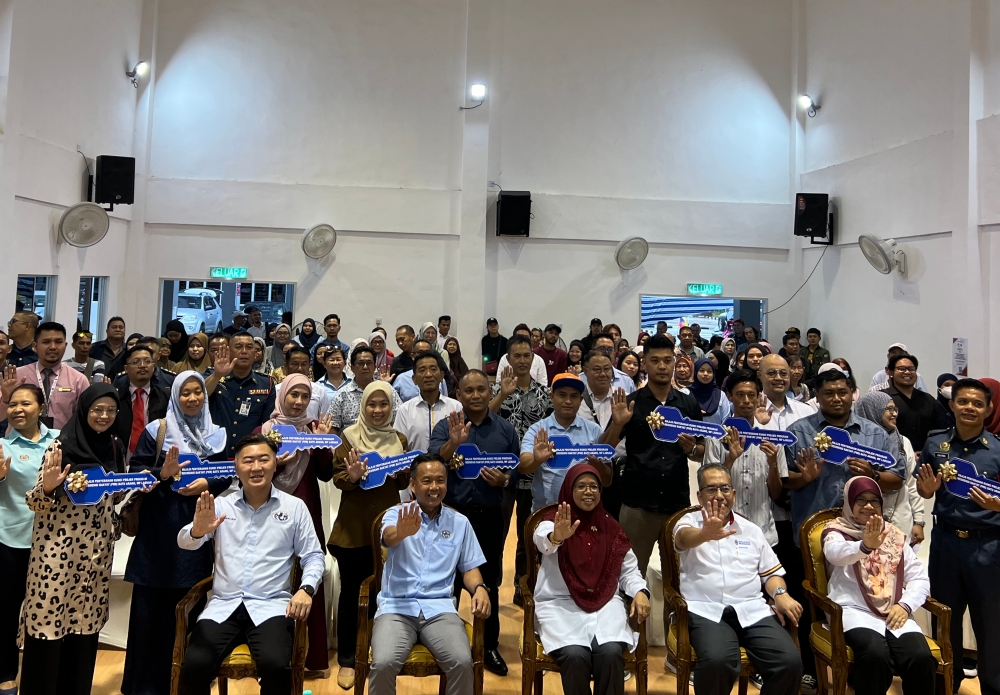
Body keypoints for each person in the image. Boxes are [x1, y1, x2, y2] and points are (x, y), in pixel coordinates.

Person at [175, 433, 324, 695]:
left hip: (272, 606)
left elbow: (313, 556)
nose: (256, 467)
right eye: (248, 461)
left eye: (264, 459)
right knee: (194, 666)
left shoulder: (295, 507)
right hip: (224, 605)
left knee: (276, 666)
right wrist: (198, 531)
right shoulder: (220, 505)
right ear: (237, 467)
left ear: (275, 463)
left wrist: (306, 589)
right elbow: (185, 541)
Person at [121, 371, 230, 695]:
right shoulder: (158, 430)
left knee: (188, 606)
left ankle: (185, 684)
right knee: (148, 613)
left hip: (197, 526)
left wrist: (207, 483)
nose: (193, 398)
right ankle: (144, 687)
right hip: (157, 531)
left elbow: (226, 472)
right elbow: (135, 473)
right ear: (175, 396)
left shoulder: (215, 433)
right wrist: (162, 473)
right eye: (186, 393)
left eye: (198, 392)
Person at [18, 384, 129, 695]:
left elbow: (112, 494)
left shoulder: (115, 446)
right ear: (84, 410)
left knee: (84, 631)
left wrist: (133, 486)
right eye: (97, 409)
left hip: (94, 557)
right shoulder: (60, 446)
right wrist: (49, 488)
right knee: (47, 631)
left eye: (110, 410)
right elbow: (35, 503)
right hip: (56, 556)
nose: (104, 415)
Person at [673, 464, 803, 695]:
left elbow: (771, 573)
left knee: (789, 662)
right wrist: (704, 534)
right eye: (711, 489)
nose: (719, 495)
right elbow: (682, 540)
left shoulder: (751, 530)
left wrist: (780, 594)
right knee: (718, 661)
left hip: (751, 609)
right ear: (699, 495)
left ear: (734, 493)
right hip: (706, 609)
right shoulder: (688, 522)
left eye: (725, 488)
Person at [368, 453, 491, 695]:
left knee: (462, 662)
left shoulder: (460, 522)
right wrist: (402, 532)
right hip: (396, 608)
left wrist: (479, 589)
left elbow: (470, 568)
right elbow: (388, 537)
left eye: (440, 480)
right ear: (413, 485)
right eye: (426, 481)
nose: (434, 487)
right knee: (383, 664)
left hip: (440, 609)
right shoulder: (396, 514)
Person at [430, 370, 521, 676]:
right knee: (449, 581)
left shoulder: (506, 430)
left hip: (489, 515)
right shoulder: (448, 426)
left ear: (489, 390)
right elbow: (434, 462)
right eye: (469, 391)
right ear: (460, 394)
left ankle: (488, 645)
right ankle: (447, 643)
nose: (476, 395)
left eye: (482, 389)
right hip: (452, 516)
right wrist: (453, 445)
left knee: (490, 580)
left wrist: (506, 479)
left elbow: (516, 467)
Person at [532, 465, 650, 695]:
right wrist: (557, 537)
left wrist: (640, 592)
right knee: (575, 656)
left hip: (605, 605)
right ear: (569, 489)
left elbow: (629, 572)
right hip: (560, 605)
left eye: (594, 486)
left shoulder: (611, 527)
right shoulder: (553, 521)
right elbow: (542, 540)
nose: (589, 491)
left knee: (610, 653)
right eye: (581, 486)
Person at [916, 378, 1000, 695]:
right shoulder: (936, 444)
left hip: (988, 546)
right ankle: (945, 687)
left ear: (989, 408)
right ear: (951, 405)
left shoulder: (998, 451)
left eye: (977, 403)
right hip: (946, 544)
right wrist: (926, 491)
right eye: (963, 401)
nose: (969, 407)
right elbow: (923, 486)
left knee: (990, 626)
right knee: (946, 621)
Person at [328, 381, 411, 689]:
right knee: (351, 595)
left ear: (391, 407)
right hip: (354, 529)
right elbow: (338, 480)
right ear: (363, 407)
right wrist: (350, 477)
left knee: (383, 592)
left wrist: (403, 473)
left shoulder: (399, 439)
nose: (378, 411)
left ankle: (378, 649)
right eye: (372, 405)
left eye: (384, 405)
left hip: (388, 527)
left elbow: (401, 485)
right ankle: (348, 658)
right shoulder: (348, 439)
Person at [600, 333, 704, 574]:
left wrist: (693, 449)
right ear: (644, 363)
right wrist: (617, 424)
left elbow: (702, 450)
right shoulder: (631, 402)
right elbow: (603, 450)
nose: (662, 366)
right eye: (655, 360)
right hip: (637, 504)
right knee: (628, 576)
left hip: (676, 504)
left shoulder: (688, 405)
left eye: (667, 360)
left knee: (677, 578)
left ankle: (673, 614)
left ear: (674, 363)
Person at [822, 477, 936, 695]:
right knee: (875, 655)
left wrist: (905, 605)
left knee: (920, 656)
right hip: (853, 611)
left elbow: (920, 579)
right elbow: (836, 555)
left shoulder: (893, 535)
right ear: (849, 502)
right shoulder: (836, 532)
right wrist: (865, 546)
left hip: (895, 611)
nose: (868, 506)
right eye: (861, 500)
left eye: (874, 501)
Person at [260, 374, 335, 673]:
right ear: (283, 396)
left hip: (306, 510)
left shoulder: (313, 430)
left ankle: (313, 657)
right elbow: (248, 475)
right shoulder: (264, 431)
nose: (299, 401)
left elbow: (325, 474)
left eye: (305, 397)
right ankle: (272, 652)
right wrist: (272, 465)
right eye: (294, 395)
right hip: (269, 512)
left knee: (309, 575)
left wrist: (321, 446)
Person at [0, 384, 56, 694]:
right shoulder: (1, 445)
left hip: (50, 544)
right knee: (6, 612)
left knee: (43, 613)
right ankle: (6, 673)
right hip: (8, 539)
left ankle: (39, 677)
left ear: (41, 406)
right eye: (12, 404)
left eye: (25, 403)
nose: (17, 409)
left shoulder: (60, 441)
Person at [492, 335, 553, 600]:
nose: (522, 360)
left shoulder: (544, 394)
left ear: (533, 358)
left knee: (527, 530)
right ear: (508, 359)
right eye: (516, 356)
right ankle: (490, 584)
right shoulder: (499, 391)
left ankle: (523, 583)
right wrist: (502, 395)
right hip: (503, 474)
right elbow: (485, 418)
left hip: (533, 472)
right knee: (499, 529)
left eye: (526, 355)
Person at [701, 370, 786, 546]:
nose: (746, 401)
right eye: (740, 395)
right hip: (725, 532)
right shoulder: (716, 437)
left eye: (751, 395)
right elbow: (708, 489)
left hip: (763, 533)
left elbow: (776, 493)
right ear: (730, 397)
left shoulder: (773, 438)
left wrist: (773, 464)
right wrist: (730, 459)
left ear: (758, 397)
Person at [520, 372, 609, 513]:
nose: (568, 401)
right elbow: (523, 467)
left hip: (586, 514)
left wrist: (597, 464)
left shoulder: (594, 430)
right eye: (562, 395)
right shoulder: (537, 430)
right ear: (551, 397)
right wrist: (537, 460)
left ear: (580, 400)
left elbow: (607, 480)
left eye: (574, 396)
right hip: (546, 512)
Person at [854, 392, 925, 544]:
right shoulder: (858, 443)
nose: (894, 414)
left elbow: (912, 483)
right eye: (888, 409)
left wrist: (919, 521)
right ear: (873, 410)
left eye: (895, 409)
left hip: (900, 520)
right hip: (865, 523)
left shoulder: (903, 442)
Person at [0, 321, 90, 429]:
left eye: (58, 342)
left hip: (60, 443)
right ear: (35, 346)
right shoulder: (17, 376)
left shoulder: (78, 380)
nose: (52, 347)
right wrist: (5, 399)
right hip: (20, 443)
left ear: (65, 345)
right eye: (46, 342)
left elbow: (84, 419)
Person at [205, 333, 277, 458]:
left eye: (249, 347)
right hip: (214, 456)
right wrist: (217, 375)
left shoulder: (266, 383)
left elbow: (268, 425)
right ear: (228, 351)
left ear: (255, 353)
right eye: (238, 347)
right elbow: (200, 397)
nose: (244, 351)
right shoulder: (212, 376)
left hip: (250, 457)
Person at [395, 350, 462, 453]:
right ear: (414, 379)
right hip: (415, 467)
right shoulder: (404, 410)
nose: (428, 375)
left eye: (433, 369)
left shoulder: (456, 406)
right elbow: (400, 445)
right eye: (422, 370)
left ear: (441, 376)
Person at [112, 345, 171, 459]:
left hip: (156, 460)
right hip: (120, 459)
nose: (143, 365)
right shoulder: (116, 397)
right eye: (136, 362)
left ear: (154, 366)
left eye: (147, 361)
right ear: (126, 368)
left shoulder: (165, 396)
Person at [330, 346, 403, 432]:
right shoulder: (342, 394)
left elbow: (398, 419)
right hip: (351, 443)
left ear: (375, 367)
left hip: (383, 441)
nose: (365, 367)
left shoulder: (387, 389)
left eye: (369, 363)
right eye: (360, 363)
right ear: (352, 367)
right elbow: (333, 426)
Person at [882, 353, 942, 452]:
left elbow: (938, 431)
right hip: (892, 457)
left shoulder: (928, 400)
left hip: (924, 459)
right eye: (901, 368)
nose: (907, 372)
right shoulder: (882, 398)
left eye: (911, 369)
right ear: (891, 373)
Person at [315, 344, 352, 415]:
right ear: (324, 364)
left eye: (338, 359)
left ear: (345, 363)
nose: (335, 363)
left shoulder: (353, 383)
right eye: (331, 360)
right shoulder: (317, 387)